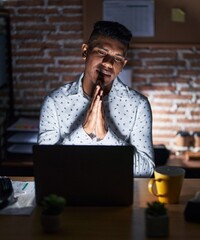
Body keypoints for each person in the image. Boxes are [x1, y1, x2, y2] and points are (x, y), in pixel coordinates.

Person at [38, 21, 155, 177]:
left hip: (117, 193)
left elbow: (147, 169)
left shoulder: (138, 105)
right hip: (68, 193)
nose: (108, 63)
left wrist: (105, 137)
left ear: (123, 65)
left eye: (118, 58)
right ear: (85, 51)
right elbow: (45, 166)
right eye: (101, 52)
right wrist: (84, 131)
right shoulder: (54, 101)